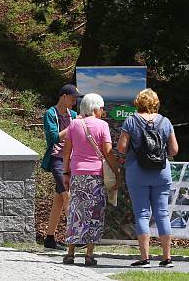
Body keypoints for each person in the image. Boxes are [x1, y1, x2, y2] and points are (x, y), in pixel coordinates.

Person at [117, 88, 179, 268]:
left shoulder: (131, 121)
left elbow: (121, 148)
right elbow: (174, 150)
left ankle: (145, 259)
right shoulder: (165, 122)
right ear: (155, 103)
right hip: (162, 172)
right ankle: (167, 258)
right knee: (162, 214)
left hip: (137, 172)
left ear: (139, 103)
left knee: (142, 215)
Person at [62, 93, 120, 266]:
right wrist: (116, 171)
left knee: (76, 212)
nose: (102, 111)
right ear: (95, 108)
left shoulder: (74, 124)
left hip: (78, 173)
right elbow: (108, 152)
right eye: (101, 108)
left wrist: (66, 173)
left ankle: (70, 253)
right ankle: (89, 254)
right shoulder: (102, 125)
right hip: (96, 175)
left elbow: (66, 151)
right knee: (95, 213)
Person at [41, 84, 82, 249]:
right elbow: (53, 138)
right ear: (63, 96)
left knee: (58, 200)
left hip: (70, 160)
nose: (74, 102)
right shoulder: (50, 114)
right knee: (68, 196)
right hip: (57, 160)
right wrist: (73, 126)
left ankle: (49, 239)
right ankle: (75, 237)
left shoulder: (73, 115)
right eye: (72, 99)